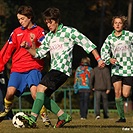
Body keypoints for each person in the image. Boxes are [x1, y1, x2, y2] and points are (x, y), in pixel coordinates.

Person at [19, 7, 105, 128]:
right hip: (54, 70)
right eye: (47, 22)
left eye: (51, 22)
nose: (49, 25)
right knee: (43, 96)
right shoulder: (49, 37)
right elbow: (38, 54)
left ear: (57, 20)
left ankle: (32, 119)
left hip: (62, 70)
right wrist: (28, 47)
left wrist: (98, 59)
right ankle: (63, 116)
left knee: (40, 88)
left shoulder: (69, 32)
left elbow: (87, 43)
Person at [0, 5, 51, 126]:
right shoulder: (16, 32)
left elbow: (46, 49)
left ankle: (44, 116)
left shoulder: (39, 31)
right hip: (17, 68)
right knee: (10, 92)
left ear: (30, 17)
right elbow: (7, 50)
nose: (20, 21)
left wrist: (34, 44)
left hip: (34, 67)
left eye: (22, 19)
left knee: (35, 93)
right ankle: (6, 110)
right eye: (19, 19)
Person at [100, 15, 133, 122]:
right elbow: (103, 51)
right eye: (116, 23)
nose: (118, 25)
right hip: (116, 69)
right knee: (117, 93)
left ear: (123, 25)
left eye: (120, 23)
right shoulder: (110, 38)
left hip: (128, 68)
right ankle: (122, 117)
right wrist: (109, 59)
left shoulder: (129, 35)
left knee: (125, 94)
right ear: (113, 25)